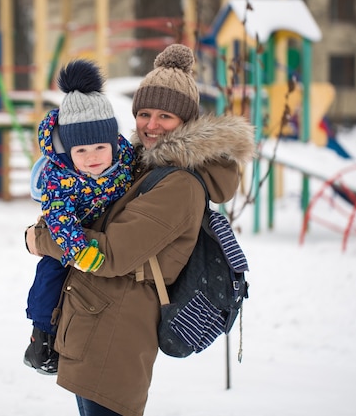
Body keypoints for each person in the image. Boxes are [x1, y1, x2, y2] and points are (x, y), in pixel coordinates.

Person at [25, 44, 255, 416]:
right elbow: (87, 213)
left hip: (116, 334)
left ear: (187, 122)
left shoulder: (180, 184)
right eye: (144, 113)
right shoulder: (138, 166)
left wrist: (40, 239)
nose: (151, 124)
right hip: (96, 323)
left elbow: (112, 254)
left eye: (165, 115)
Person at [23, 60, 136, 375]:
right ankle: (42, 336)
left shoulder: (126, 161)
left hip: (107, 232)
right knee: (50, 276)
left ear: (114, 142)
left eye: (100, 147)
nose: (93, 158)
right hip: (69, 234)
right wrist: (76, 249)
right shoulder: (58, 176)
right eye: (81, 151)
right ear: (68, 152)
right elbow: (58, 215)